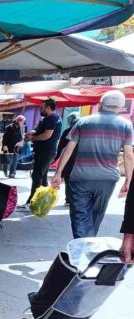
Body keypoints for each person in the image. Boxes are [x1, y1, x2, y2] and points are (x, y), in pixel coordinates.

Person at [51, 90, 134, 238]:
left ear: (101, 104)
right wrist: (128, 180)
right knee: (97, 215)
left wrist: (58, 173)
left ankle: (83, 248)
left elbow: (68, 149)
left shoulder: (83, 122)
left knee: (80, 216)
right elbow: (128, 154)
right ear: (121, 107)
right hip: (107, 179)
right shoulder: (126, 125)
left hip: (81, 177)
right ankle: (88, 246)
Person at [23, 98, 61, 207]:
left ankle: (32, 202)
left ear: (48, 108)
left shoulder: (52, 118)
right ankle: (44, 201)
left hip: (45, 152)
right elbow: (42, 131)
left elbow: (47, 135)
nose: (41, 109)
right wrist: (33, 132)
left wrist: (32, 139)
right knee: (42, 178)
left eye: (42, 107)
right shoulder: (49, 118)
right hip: (45, 152)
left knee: (37, 177)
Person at [55, 112, 79, 205]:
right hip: (80, 161)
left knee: (68, 179)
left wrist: (56, 158)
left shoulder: (67, 131)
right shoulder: (85, 132)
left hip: (69, 160)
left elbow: (60, 147)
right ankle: (74, 199)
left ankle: (69, 199)